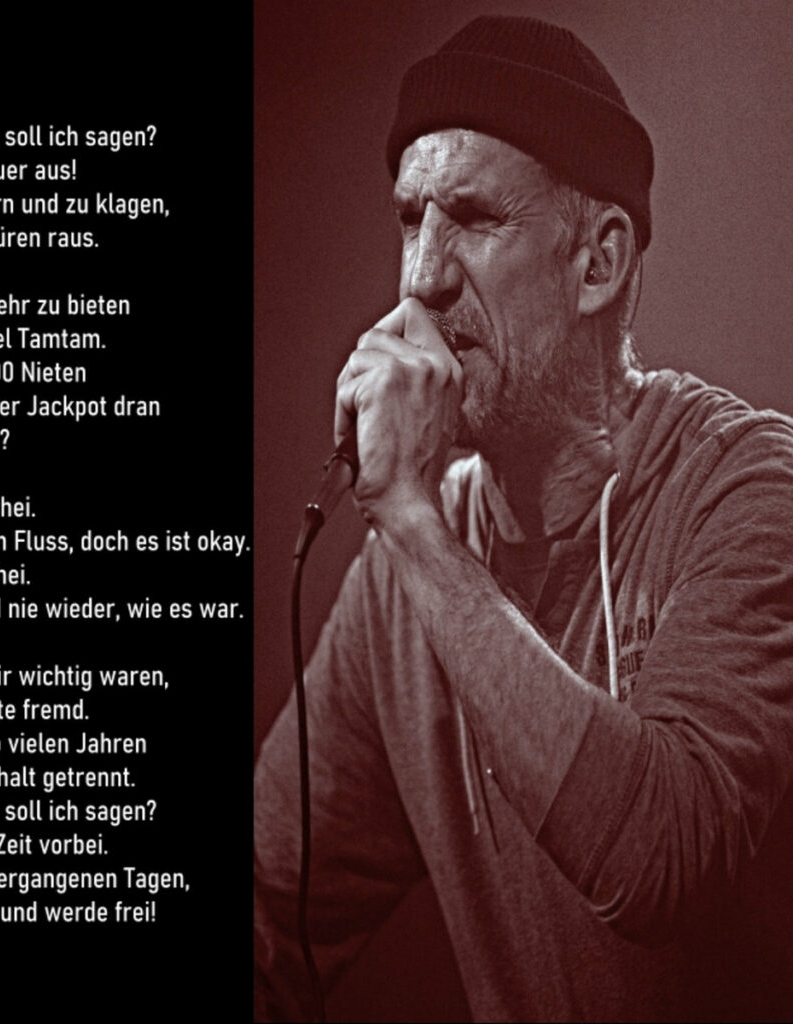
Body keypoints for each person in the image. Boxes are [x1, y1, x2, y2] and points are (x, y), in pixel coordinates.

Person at [255, 15, 793, 1022]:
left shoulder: (749, 487)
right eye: (409, 219)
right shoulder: (403, 579)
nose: (422, 276)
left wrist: (412, 525)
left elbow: (656, 860)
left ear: (597, 263)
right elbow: (268, 903)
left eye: (472, 217)